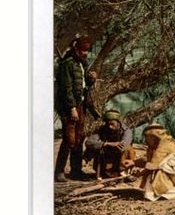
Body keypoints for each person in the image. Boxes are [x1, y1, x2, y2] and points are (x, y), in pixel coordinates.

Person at [54, 35, 97, 181]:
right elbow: (66, 88)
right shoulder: (68, 64)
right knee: (69, 139)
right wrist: (72, 108)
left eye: (87, 51)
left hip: (80, 105)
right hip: (69, 106)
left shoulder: (81, 64)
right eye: (83, 50)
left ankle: (76, 171)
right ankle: (59, 172)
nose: (85, 53)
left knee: (79, 137)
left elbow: (83, 87)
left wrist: (91, 80)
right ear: (76, 49)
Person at [136, 124, 175, 201]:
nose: (146, 140)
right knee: (160, 168)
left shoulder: (164, 146)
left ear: (153, 136)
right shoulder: (167, 142)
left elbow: (152, 165)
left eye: (147, 137)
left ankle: (172, 193)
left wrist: (138, 169)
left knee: (157, 172)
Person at [83, 111, 133, 179]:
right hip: (105, 154)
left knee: (129, 149)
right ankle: (86, 163)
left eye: (112, 124)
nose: (110, 126)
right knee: (93, 146)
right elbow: (89, 142)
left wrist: (111, 146)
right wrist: (107, 144)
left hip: (118, 156)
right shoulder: (102, 129)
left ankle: (122, 170)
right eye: (107, 124)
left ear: (118, 122)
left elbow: (123, 146)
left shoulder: (126, 131)